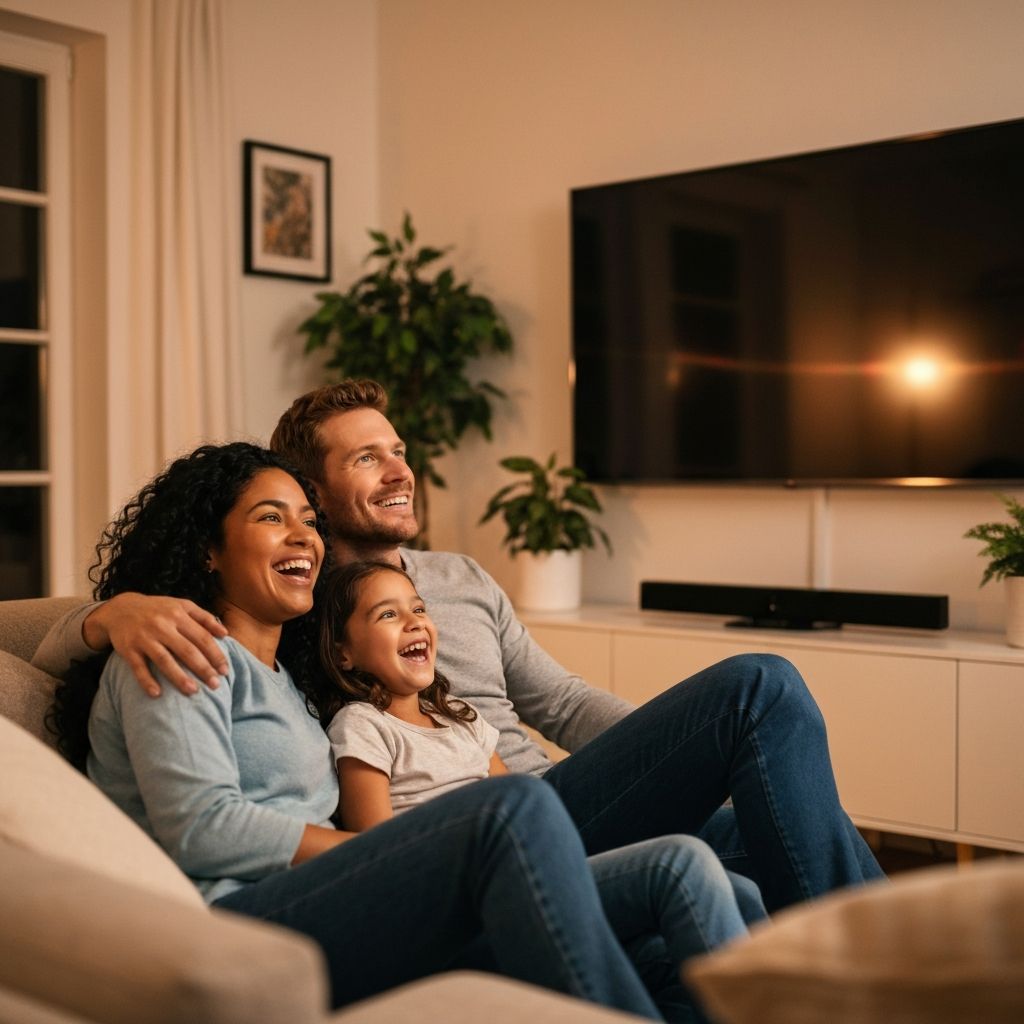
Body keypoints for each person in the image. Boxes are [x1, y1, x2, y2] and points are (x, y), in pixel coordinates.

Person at [36, 379, 884, 917]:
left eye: (399, 452)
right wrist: (110, 615)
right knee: (760, 688)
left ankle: (890, 975)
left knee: (798, 821)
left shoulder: (461, 576)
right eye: (367, 459)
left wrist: (681, 753)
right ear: (314, 492)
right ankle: (886, 976)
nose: (399, 471)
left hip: (558, 789)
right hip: (477, 824)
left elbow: (562, 701)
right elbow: (59, 643)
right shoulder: (300, 609)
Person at [47, 442, 666, 1020]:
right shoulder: (178, 647)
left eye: (309, 521)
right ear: (207, 549)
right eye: (271, 518)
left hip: (328, 896)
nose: (303, 536)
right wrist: (386, 852)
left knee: (669, 879)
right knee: (513, 806)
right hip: (237, 917)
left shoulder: (294, 681)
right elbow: (201, 828)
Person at [317, 557, 760, 1021]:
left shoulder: (462, 718)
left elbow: (519, 812)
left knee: (738, 893)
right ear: (344, 653)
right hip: (463, 905)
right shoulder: (364, 726)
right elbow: (379, 854)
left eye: (419, 608)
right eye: (388, 614)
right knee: (680, 862)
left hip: (529, 871)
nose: (413, 622)